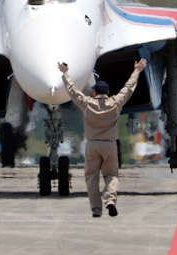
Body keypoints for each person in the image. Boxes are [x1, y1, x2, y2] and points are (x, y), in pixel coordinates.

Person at [58, 58, 147, 218]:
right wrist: (137, 71)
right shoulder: (115, 103)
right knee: (111, 175)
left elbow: (72, 90)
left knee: (91, 177)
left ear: (94, 93)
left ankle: (96, 210)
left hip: (92, 146)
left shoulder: (87, 103)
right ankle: (110, 201)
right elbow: (128, 88)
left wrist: (65, 74)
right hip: (110, 146)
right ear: (107, 93)